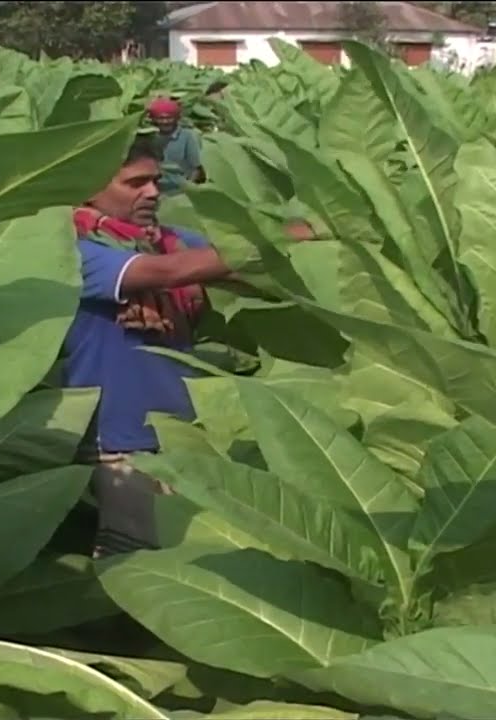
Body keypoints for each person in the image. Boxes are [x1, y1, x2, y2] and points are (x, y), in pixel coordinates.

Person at [51, 134, 312, 559]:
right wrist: (291, 237)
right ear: (90, 189)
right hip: (119, 441)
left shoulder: (166, 239)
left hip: (181, 434)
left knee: (195, 557)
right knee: (136, 563)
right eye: (134, 184)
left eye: (155, 181)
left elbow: (228, 263)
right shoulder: (74, 252)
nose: (153, 192)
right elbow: (168, 272)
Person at [146, 97, 202, 195]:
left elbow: (196, 169)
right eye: (161, 118)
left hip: (179, 191)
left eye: (169, 118)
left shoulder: (187, 136)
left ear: (176, 118)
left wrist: (188, 191)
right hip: (155, 191)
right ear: (154, 119)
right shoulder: (150, 137)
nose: (165, 122)